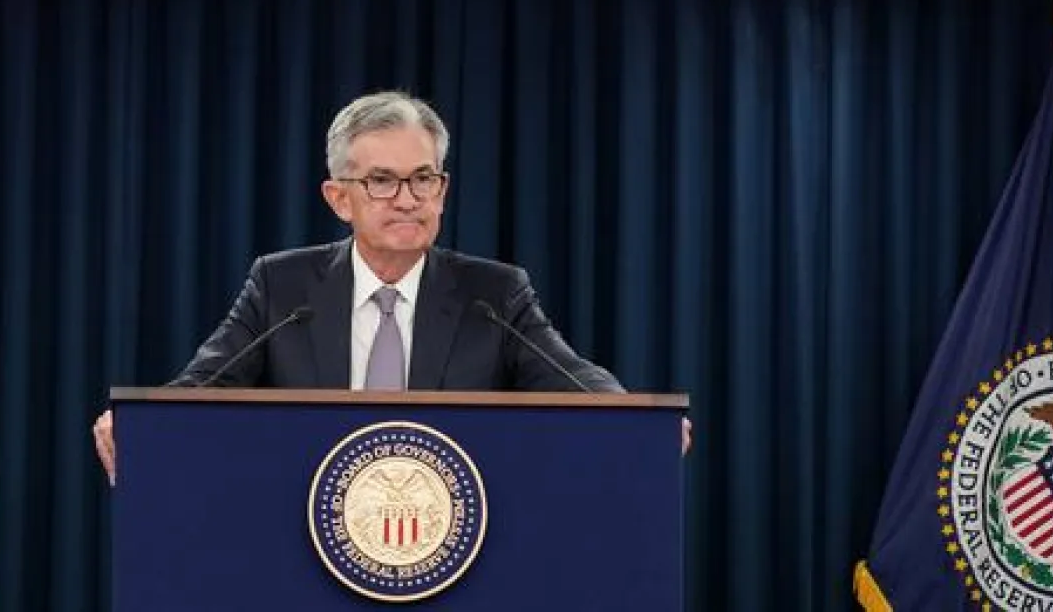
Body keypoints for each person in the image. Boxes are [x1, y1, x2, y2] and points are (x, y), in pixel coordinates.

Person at [93, 90, 690, 482]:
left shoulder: (495, 294)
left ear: (443, 190)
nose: (406, 200)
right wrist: (143, 425)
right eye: (381, 181)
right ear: (339, 199)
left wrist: (634, 420)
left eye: (422, 179)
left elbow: (572, 376)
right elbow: (205, 384)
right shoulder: (281, 286)